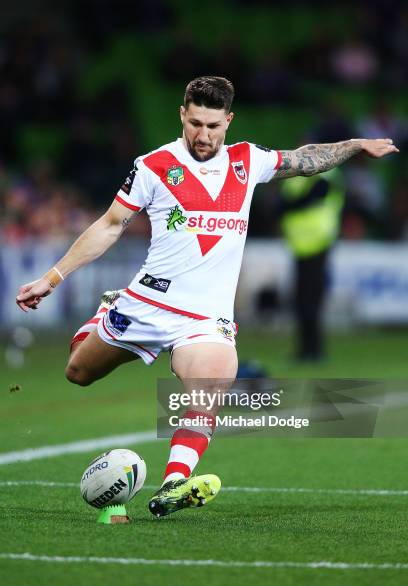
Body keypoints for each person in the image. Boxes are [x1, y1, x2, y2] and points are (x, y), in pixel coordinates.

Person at [16, 76, 399, 517]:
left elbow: (305, 160)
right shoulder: (155, 166)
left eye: (213, 125)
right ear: (182, 114)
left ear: (228, 121)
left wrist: (355, 144)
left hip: (205, 320)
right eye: (195, 122)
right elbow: (109, 225)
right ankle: (108, 309)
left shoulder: (247, 161)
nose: (203, 134)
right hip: (146, 305)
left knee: (209, 388)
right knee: (77, 372)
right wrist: (53, 277)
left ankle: (174, 485)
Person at [278, 168, 344, 361]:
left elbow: (295, 204)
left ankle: (313, 350)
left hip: (318, 243)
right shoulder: (297, 178)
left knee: (310, 300)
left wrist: (289, 205)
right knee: (302, 300)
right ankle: (306, 350)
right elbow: (283, 205)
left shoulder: (325, 177)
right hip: (300, 245)